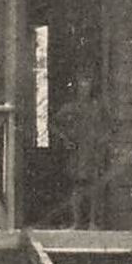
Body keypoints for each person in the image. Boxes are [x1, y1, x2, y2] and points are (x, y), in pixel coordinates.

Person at [50, 75, 110, 229]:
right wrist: (66, 140)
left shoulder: (97, 107)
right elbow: (53, 124)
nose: (84, 88)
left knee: (94, 187)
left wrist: (102, 141)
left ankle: (92, 223)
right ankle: (76, 222)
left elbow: (109, 126)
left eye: (87, 84)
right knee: (77, 187)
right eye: (81, 85)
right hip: (78, 151)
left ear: (91, 87)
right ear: (77, 88)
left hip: (93, 152)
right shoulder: (71, 107)